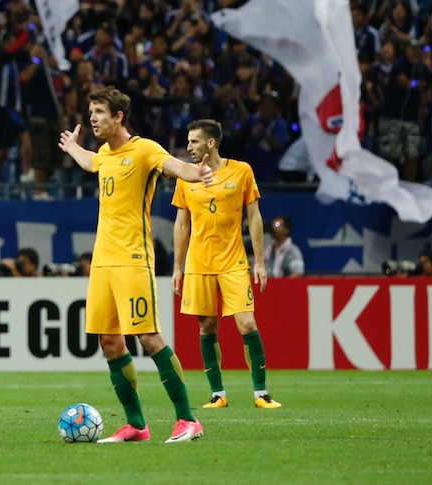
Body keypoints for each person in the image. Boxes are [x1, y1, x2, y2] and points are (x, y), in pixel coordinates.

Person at [58, 86, 210, 444]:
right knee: (109, 342)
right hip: (102, 262)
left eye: (99, 112)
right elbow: (88, 162)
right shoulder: (104, 156)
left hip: (133, 259)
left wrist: (194, 172)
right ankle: (136, 426)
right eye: (91, 111)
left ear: (118, 116)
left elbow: (173, 166)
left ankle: (188, 420)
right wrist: (73, 147)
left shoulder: (143, 150)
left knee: (148, 337)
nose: (93, 118)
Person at [171, 119, 282, 410]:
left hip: (233, 262)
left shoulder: (242, 170)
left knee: (247, 323)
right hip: (199, 263)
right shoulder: (186, 177)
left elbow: (254, 216)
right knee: (207, 326)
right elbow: (182, 223)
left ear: (210, 142)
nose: (188, 147)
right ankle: (218, 394)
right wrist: (177, 267)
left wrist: (259, 261)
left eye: (193, 141)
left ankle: (261, 394)